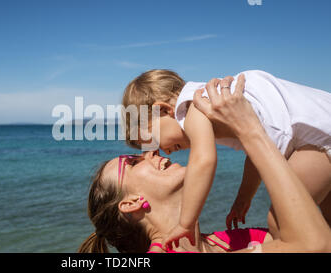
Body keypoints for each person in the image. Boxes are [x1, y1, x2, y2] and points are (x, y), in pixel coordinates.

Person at [78, 76, 331, 253]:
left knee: (283, 223)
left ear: (162, 110)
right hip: (317, 139)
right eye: (135, 161)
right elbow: (312, 244)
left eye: (151, 144)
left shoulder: (194, 109)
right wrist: (244, 196)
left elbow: (204, 159)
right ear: (131, 203)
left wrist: (186, 223)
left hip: (317, 139)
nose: (156, 153)